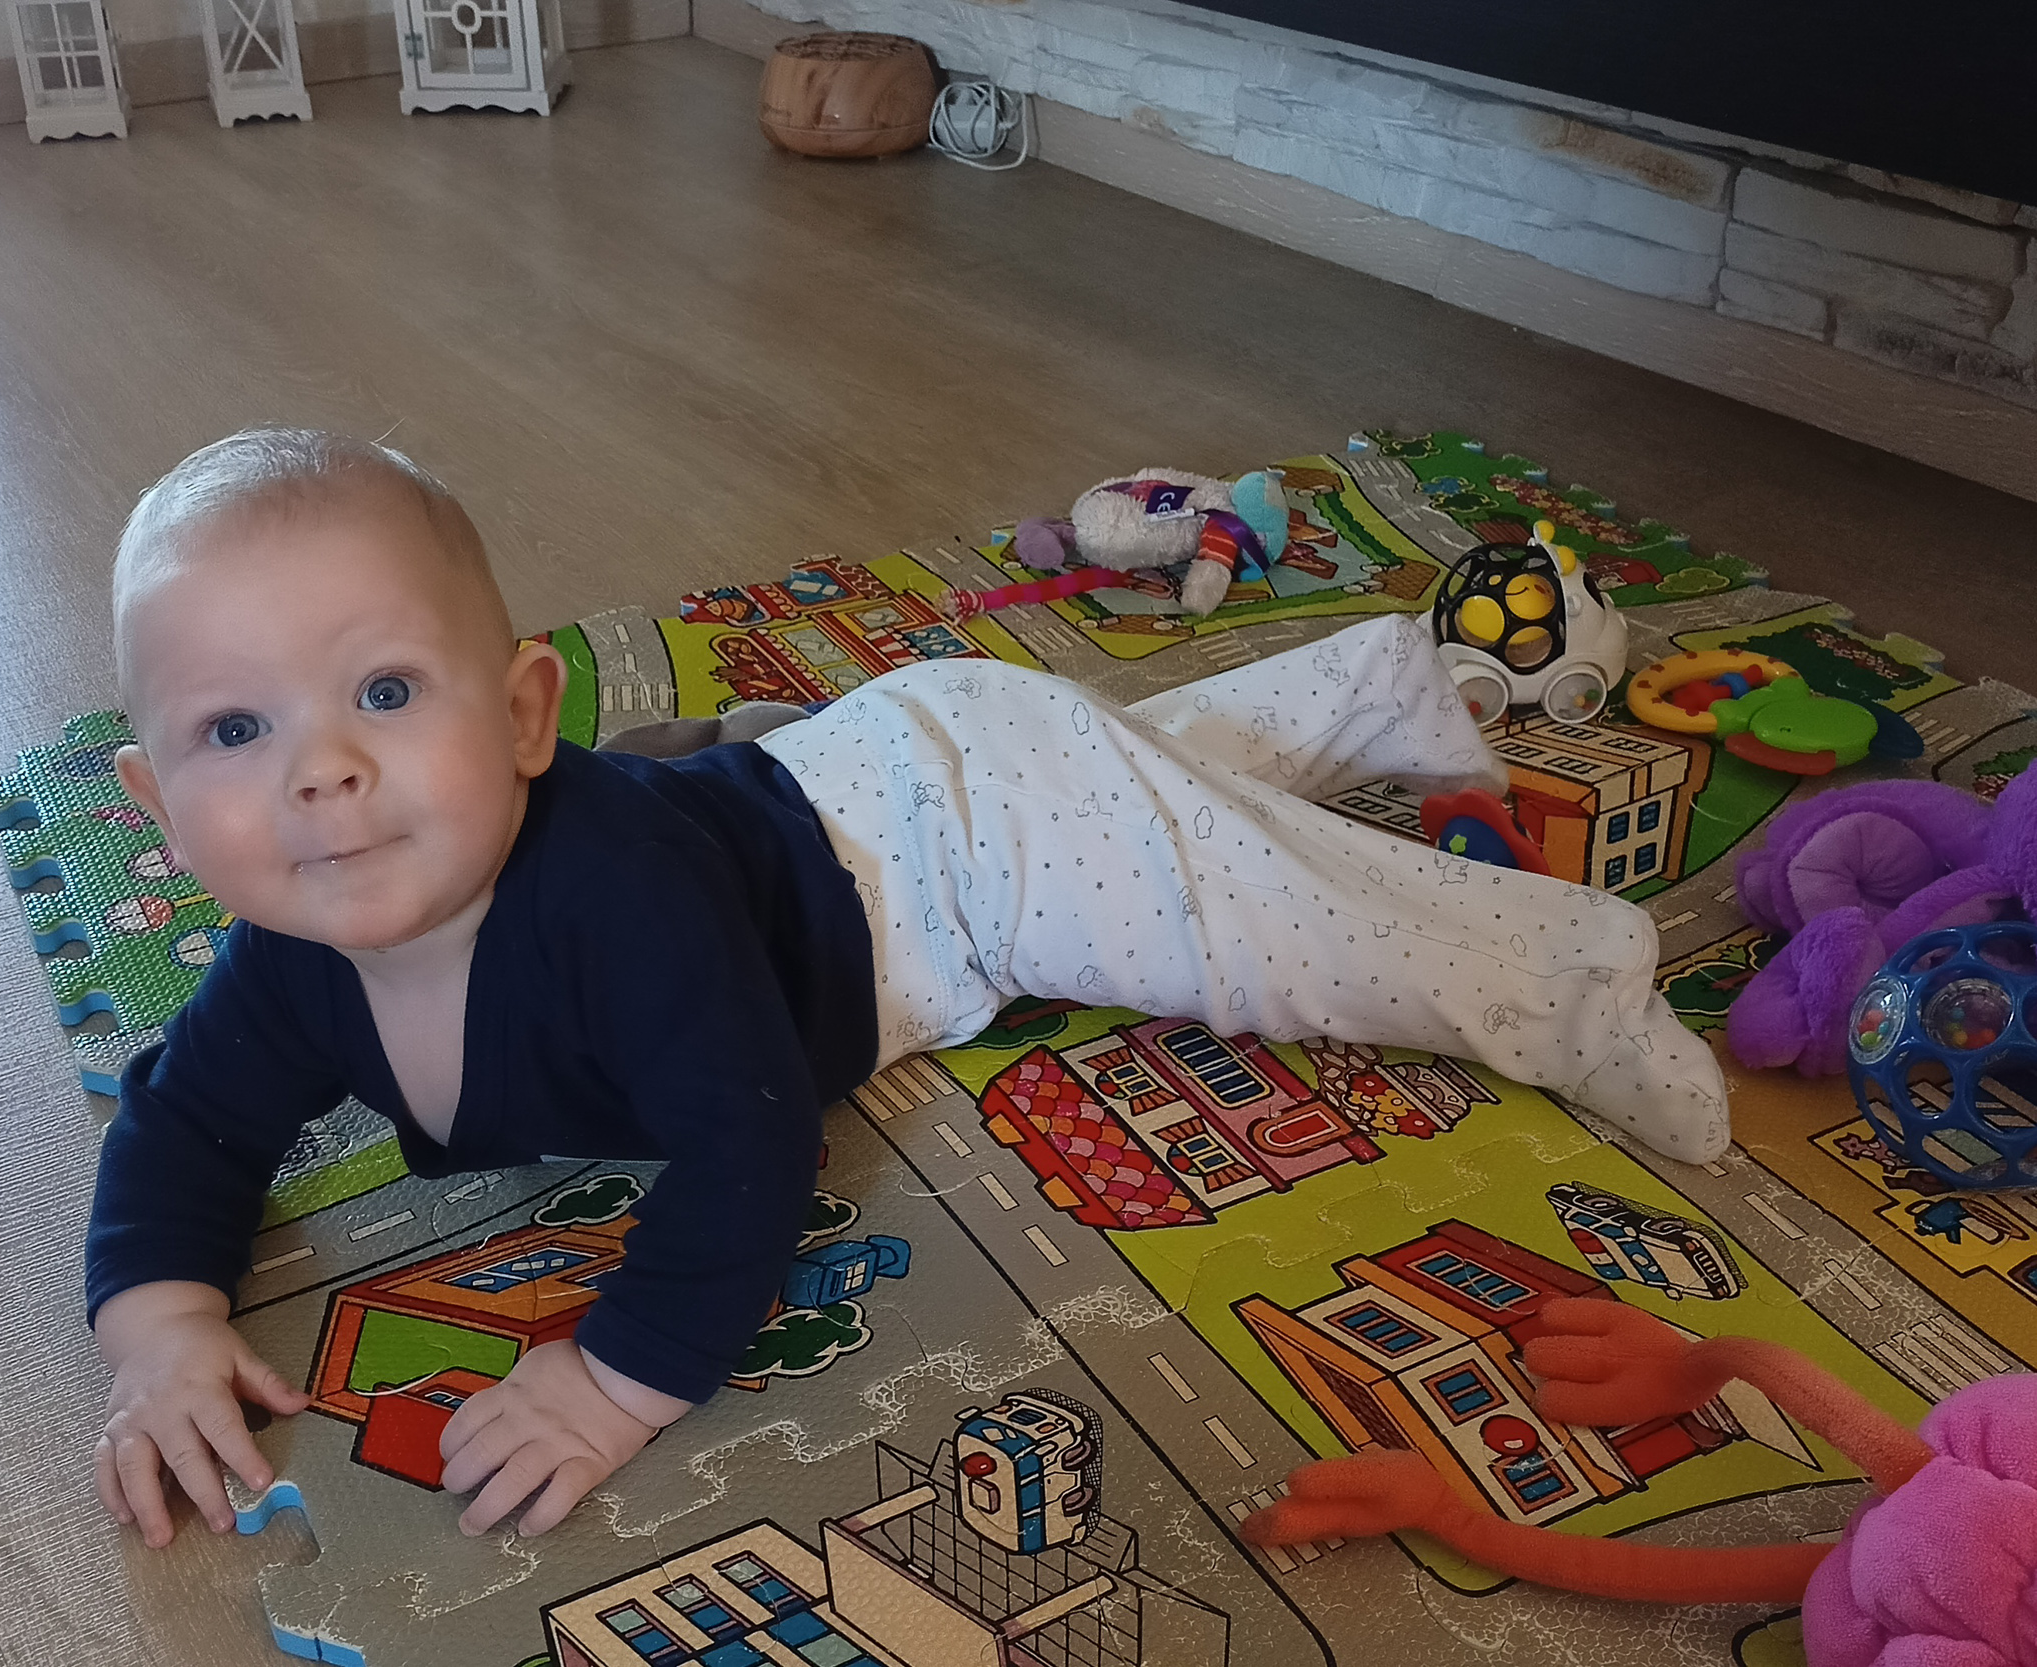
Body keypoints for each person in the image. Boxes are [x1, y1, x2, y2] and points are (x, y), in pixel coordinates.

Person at [85, 427, 1731, 1553]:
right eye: (235, 730)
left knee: (1266, 926)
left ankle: (1562, 975)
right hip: (860, 780)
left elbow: (747, 1142)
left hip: (962, 846)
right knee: (1168, 809)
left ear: (525, 716)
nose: (323, 771)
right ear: (156, 808)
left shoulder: (618, 900)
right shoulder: (287, 958)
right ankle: (1366, 686)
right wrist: (159, 1321)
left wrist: (611, 1375)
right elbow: (185, 1120)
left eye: (384, 690)